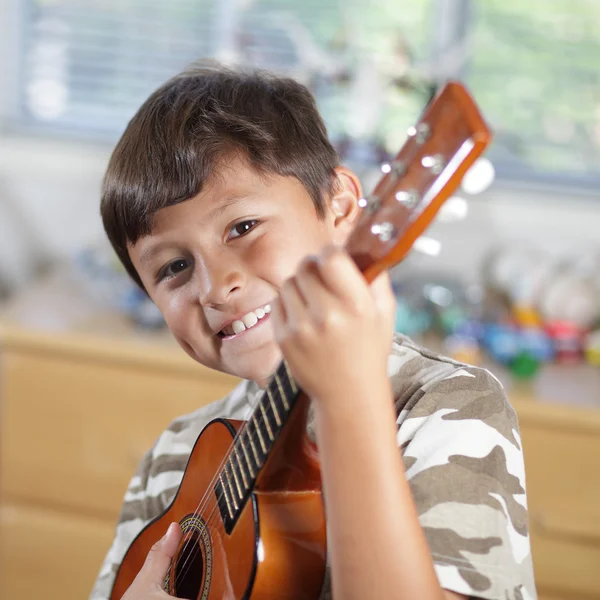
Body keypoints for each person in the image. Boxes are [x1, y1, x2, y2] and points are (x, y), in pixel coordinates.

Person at [91, 62, 536, 600]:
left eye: (243, 227)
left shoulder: (445, 409)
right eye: (173, 268)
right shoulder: (173, 458)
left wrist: (349, 397)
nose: (215, 287)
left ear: (342, 206)